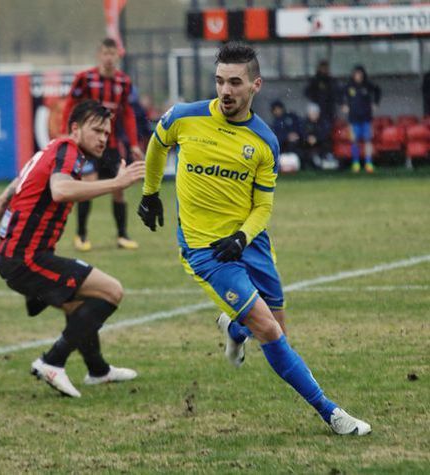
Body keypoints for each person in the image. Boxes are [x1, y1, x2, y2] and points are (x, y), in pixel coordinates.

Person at [137, 42, 371, 435]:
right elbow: (157, 144)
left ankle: (233, 329)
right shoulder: (184, 118)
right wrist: (149, 193)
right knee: (270, 331)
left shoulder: (264, 142)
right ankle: (331, 413)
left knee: (277, 327)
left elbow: (263, 206)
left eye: (234, 82)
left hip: (250, 242)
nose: (225, 91)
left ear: (255, 86)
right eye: (219, 81)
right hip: (206, 250)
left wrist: (244, 238)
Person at [0, 100, 146, 398]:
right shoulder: (68, 151)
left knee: (80, 307)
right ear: (75, 129)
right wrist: (116, 183)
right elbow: (61, 190)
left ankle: (98, 370)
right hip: (26, 259)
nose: (103, 138)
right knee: (111, 291)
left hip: (16, 258)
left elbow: (2, 201)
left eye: (107, 132)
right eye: (97, 130)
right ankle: (51, 362)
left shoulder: (47, 153)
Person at [60, 38, 144, 252]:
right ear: (99, 55)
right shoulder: (85, 79)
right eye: (105, 53)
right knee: (88, 183)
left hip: (112, 144)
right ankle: (81, 235)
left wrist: (134, 143)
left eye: (112, 54)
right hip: (87, 145)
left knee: (119, 186)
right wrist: (66, 133)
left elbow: (127, 113)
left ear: (118, 56)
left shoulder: (123, 82)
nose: (108, 58)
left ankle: (122, 235)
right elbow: (70, 105)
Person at [340, 65, 381, 173]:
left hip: (366, 118)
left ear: (363, 74)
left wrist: (375, 103)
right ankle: (356, 163)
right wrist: (343, 104)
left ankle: (368, 163)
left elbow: (378, 90)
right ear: (353, 75)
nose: (358, 76)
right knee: (354, 141)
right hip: (353, 119)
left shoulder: (367, 85)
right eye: (356, 74)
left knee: (368, 140)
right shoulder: (349, 86)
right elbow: (340, 95)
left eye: (360, 74)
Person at [304, 59, 338, 130]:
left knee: (329, 127)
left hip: (329, 108)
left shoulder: (331, 80)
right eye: (322, 68)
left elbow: (336, 92)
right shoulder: (315, 80)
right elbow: (307, 92)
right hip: (318, 107)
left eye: (325, 68)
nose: (324, 70)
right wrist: (315, 98)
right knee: (318, 126)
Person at [301, 102, 335, 169]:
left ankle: (324, 159)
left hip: (321, 144)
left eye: (315, 112)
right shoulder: (304, 122)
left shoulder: (323, 122)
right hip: (308, 144)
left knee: (326, 144)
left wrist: (316, 138)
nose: (314, 114)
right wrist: (308, 138)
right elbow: (302, 133)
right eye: (312, 113)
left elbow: (325, 133)